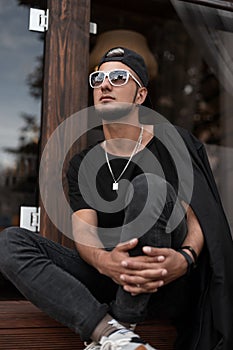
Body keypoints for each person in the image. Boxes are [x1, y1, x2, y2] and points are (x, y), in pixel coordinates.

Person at [0, 47, 232, 350]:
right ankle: (114, 336)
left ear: (140, 95)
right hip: (111, 274)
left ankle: (125, 321)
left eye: (119, 77)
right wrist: (104, 261)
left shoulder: (171, 142)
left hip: (165, 278)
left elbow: (198, 214)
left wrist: (186, 258)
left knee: (149, 186)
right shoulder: (83, 163)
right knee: (10, 242)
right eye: (98, 78)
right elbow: (84, 230)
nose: (104, 84)